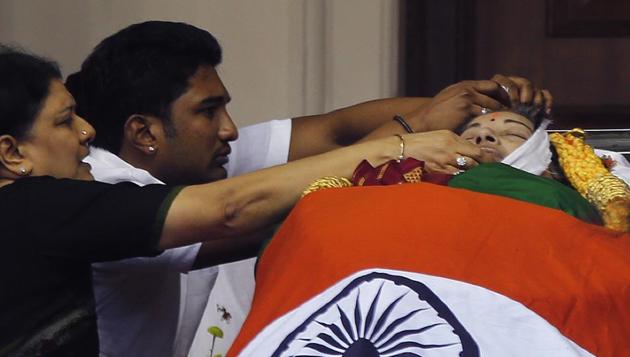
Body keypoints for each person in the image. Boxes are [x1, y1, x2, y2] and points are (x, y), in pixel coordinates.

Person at [64, 20, 554, 356]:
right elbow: (276, 206)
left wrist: (480, 110)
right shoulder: (108, 194)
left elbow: (336, 132)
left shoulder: (197, 160)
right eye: (208, 111)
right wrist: (406, 145)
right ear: (144, 134)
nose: (230, 130)